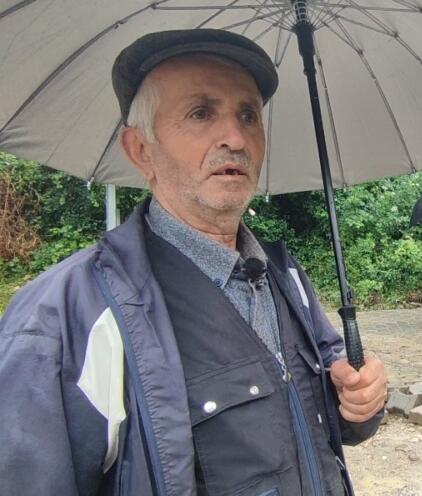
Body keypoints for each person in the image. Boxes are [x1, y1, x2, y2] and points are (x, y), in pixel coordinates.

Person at [0, 29, 387, 496]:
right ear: (140, 150)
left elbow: (330, 403)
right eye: (201, 113)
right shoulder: (67, 318)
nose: (236, 138)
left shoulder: (284, 275)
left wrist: (360, 401)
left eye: (248, 115)